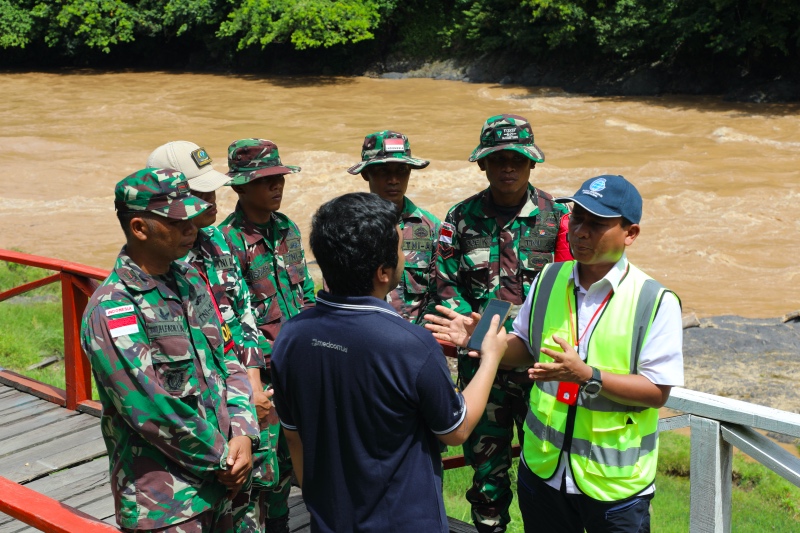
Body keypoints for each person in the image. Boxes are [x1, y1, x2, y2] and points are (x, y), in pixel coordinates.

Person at [427, 175, 684, 533]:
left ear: (631, 233)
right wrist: (485, 340)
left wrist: (589, 376)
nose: (580, 232)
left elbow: (657, 392)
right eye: (577, 218)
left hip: (613, 486)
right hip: (543, 472)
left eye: (597, 224)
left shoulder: (654, 301)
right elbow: (525, 348)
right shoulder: (549, 277)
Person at [270, 192, 508, 532]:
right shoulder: (411, 345)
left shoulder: (291, 336)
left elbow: (295, 438)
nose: (404, 257)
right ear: (383, 272)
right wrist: (490, 358)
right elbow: (456, 430)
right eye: (400, 250)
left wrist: (321, 505)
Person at [80, 168, 260, 532]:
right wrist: (222, 460)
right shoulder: (114, 308)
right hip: (168, 503)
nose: (191, 228)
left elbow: (227, 358)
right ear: (139, 228)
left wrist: (243, 431)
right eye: (177, 222)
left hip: (228, 482)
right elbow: (149, 407)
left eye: (192, 217)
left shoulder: (191, 279)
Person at [434, 113, 572, 532]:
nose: (508, 168)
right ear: (483, 164)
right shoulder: (460, 218)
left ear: (532, 163)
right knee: (486, 476)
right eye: (498, 159)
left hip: (539, 366)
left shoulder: (558, 217)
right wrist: (478, 332)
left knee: (546, 469)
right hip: (483, 369)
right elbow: (446, 285)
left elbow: (573, 288)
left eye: (517, 159)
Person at [146, 141, 279, 532]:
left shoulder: (217, 241)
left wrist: (254, 389)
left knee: (254, 506)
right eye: (198, 193)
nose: (210, 200)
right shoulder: (161, 263)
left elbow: (242, 317)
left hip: (243, 399)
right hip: (200, 425)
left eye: (211, 190)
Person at [219, 138, 316, 533]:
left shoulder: (286, 228)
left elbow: (305, 291)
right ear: (241, 187)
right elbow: (230, 320)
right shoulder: (226, 242)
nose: (277, 186)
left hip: (299, 365)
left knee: (298, 459)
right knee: (263, 467)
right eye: (265, 180)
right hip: (260, 375)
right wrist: (257, 374)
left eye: (279, 178)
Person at [347, 130, 440, 322]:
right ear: (366, 174)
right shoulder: (348, 228)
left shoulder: (430, 227)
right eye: (383, 171)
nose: (394, 180)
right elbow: (337, 293)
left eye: (402, 170)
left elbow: (440, 290)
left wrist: (418, 332)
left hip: (414, 332)